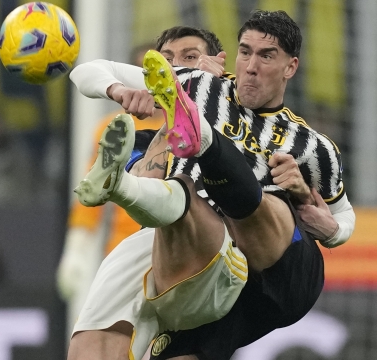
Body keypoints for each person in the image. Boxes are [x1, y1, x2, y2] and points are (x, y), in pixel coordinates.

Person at [68, 12, 355, 360]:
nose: (251, 65)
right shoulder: (194, 86)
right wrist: (120, 90)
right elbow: (86, 70)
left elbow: (342, 214)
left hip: (278, 268)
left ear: (290, 67)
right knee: (93, 343)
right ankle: (121, 184)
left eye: (266, 56)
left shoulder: (312, 146)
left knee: (230, 198)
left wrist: (332, 230)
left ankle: (195, 144)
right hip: (202, 256)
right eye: (245, 52)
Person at [56, 42, 166, 337]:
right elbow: (90, 194)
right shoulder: (114, 126)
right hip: (125, 247)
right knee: (107, 338)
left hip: (179, 246)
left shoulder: (196, 125)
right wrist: (76, 250)